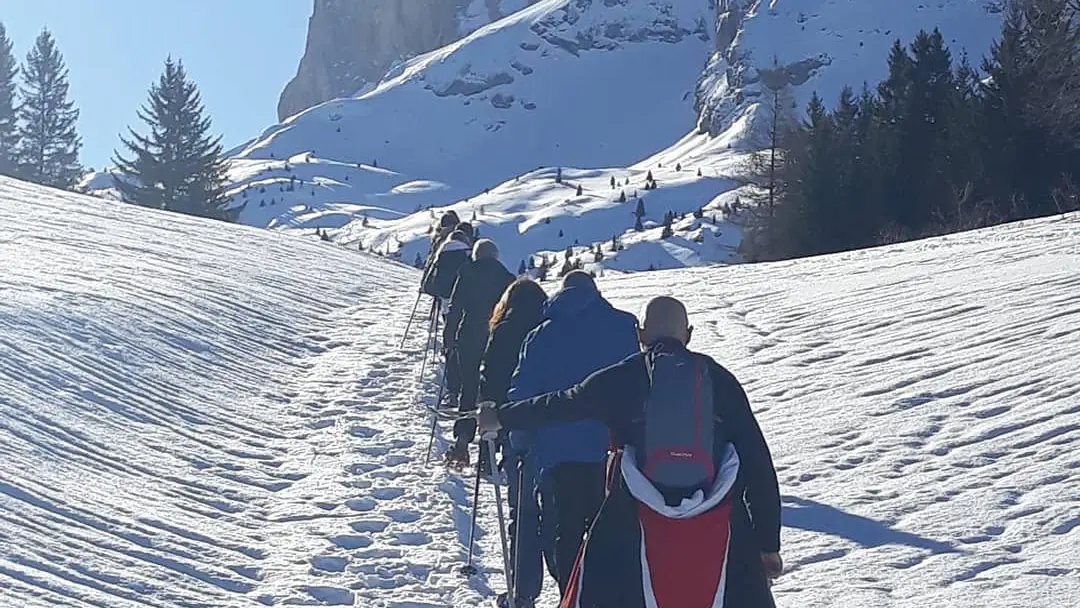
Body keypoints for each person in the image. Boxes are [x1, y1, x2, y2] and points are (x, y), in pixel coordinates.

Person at [476, 296, 782, 608]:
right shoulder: (720, 381)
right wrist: (768, 543)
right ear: (688, 334)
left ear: (641, 335)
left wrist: (501, 416)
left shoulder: (624, 377)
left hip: (631, 521)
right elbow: (757, 461)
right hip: (721, 527)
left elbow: (562, 404)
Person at [507, 271, 639, 596]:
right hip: (611, 454)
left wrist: (519, 444)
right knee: (607, 529)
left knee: (562, 532)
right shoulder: (624, 328)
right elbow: (638, 387)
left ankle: (572, 594)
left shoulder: (540, 336)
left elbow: (524, 395)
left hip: (556, 452)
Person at [473, 278, 548, 608]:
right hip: (553, 426)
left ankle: (522, 592)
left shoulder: (503, 330)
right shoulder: (549, 328)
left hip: (514, 429)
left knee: (524, 513)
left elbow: (490, 381)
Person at [443, 239, 514, 467]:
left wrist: (449, 338)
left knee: (469, 387)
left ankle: (462, 442)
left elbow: (455, 308)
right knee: (492, 393)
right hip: (497, 340)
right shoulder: (507, 278)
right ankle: (488, 452)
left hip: (468, 338)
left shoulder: (466, 273)